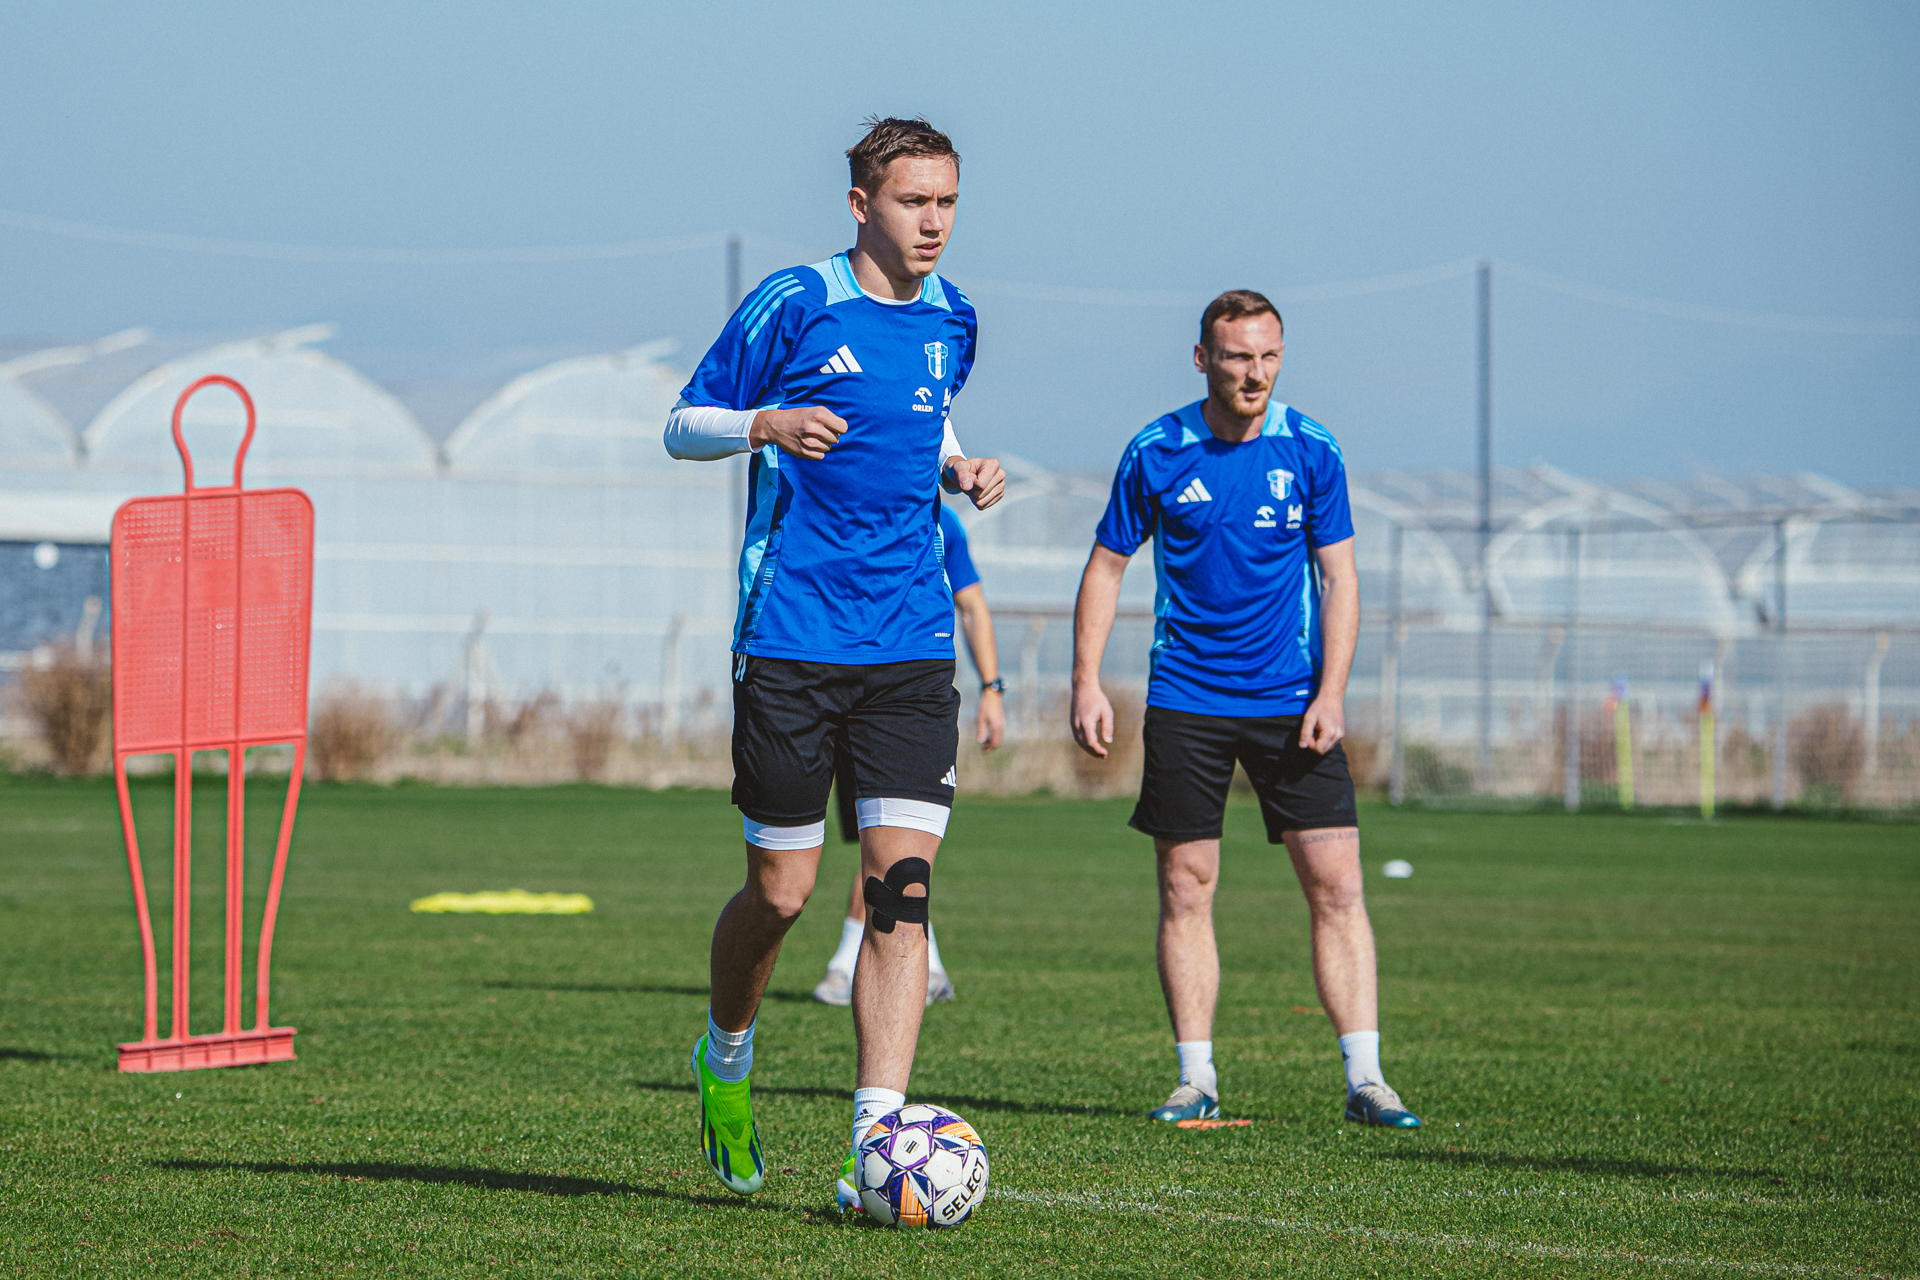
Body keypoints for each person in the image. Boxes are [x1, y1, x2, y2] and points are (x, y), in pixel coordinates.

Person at [661, 115, 1006, 1208]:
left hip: (909, 640)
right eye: (914, 201)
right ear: (862, 205)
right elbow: (682, 423)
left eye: (948, 202)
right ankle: (726, 1053)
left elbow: (928, 418)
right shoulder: (794, 302)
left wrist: (960, 471)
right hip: (792, 638)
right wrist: (764, 423)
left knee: (900, 890)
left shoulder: (955, 318)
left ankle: (875, 1143)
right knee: (783, 891)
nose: (934, 222)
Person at [1069, 289, 1419, 1130]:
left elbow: (1339, 575)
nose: (1254, 373)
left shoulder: (1311, 449)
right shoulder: (1157, 451)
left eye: (1267, 356)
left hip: (1292, 702)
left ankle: (1368, 1079)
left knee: (1337, 886)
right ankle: (1196, 1080)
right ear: (1202, 360)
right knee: (1186, 887)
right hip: (1186, 699)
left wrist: (1332, 692)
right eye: (1236, 357)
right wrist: (1085, 680)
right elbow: (1107, 566)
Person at [813, 499, 1006, 1008]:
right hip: (842, 688)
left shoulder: (943, 522)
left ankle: (854, 965)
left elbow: (972, 604)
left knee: (896, 841)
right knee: (879, 844)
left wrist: (992, 688)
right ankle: (894, 963)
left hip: (908, 700)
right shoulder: (844, 510)